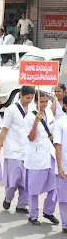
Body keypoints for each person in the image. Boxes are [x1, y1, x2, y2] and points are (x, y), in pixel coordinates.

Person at [0, 86, 35, 213]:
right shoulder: (11, 110)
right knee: (14, 179)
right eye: (27, 98)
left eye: (31, 98)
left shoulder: (33, 109)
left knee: (26, 181)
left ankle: (22, 204)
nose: (29, 100)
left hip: (28, 151)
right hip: (13, 150)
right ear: (21, 95)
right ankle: (8, 197)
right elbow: (4, 130)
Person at [24, 90, 59, 226]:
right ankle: (32, 215)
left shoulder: (49, 112)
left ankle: (48, 211)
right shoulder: (28, 117)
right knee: (34, 189)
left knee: (54, 186)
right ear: (35, 102)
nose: (44, 104)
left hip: (50, 155)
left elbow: (53, 127)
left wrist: (53, 134)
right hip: (36, 157)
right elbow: (31, 138)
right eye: (41, 102)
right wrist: (36, 121)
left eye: (46, 101)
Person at [54, 95, 67, 233]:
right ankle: (65, 224)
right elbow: (58, 146)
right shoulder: (60, 123)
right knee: (64, 198)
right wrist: (59, 167)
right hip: (64, 166)